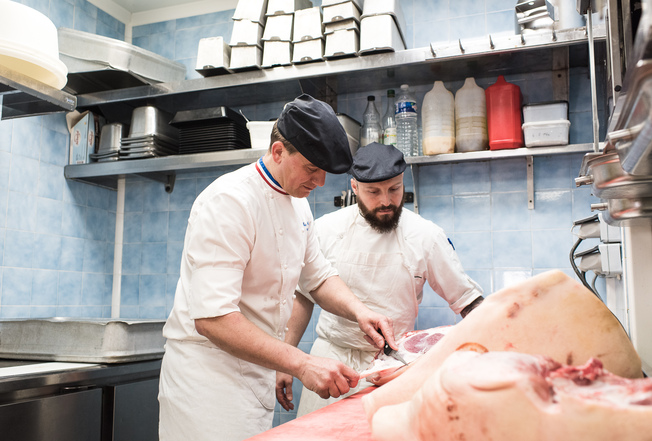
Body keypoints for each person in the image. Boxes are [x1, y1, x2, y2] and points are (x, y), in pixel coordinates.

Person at [158, 95, 398, 441]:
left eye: (325, 173)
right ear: (277, 152)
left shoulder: (299, 207)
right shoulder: (229, 202)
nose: (319, 184)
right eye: (312, 169)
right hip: (206, 386)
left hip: (255, 375)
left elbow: (318, 277)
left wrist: (360, 312)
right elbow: (212, 318)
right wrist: (301, 363)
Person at [275, 142, 485, 417]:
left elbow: (469, 303)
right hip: (332, 362)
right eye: (373, 192)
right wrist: (287, 360)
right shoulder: (325, 229)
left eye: (394, 189)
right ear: (354, 188)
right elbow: (303, 296)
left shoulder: (426, 236)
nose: (386, 201)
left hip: (396, 367)